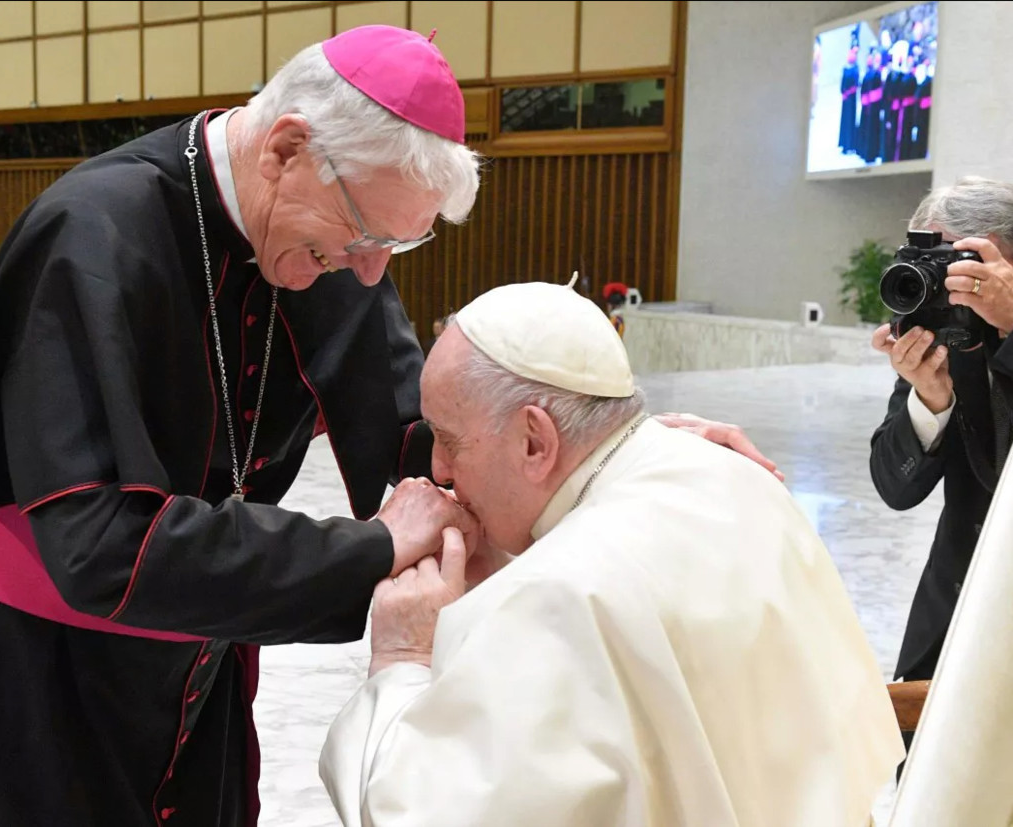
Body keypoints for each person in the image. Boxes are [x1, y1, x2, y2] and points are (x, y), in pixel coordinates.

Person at [0, 26, 775, 827]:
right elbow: (100, 544)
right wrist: (369, 552)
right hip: (27, 682)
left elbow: (429, 437)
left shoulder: (326, 234)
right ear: (288, 148)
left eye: (395, 247)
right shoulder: (92, 237)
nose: (368, 275)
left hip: (193, 671)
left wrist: (607, 456)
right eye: (364, 235)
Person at [320, 281, 903, 827]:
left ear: (534, 441)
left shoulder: (558, 595)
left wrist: (404, 657)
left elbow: (419, 812)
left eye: (447, 441)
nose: (439, 470)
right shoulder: (731, 470)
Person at [869, 177, 1012, 754]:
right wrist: (931, 403)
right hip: (954, 615)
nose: (949, 285)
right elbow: (894, 488)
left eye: (963, 263)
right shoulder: (934, 333)